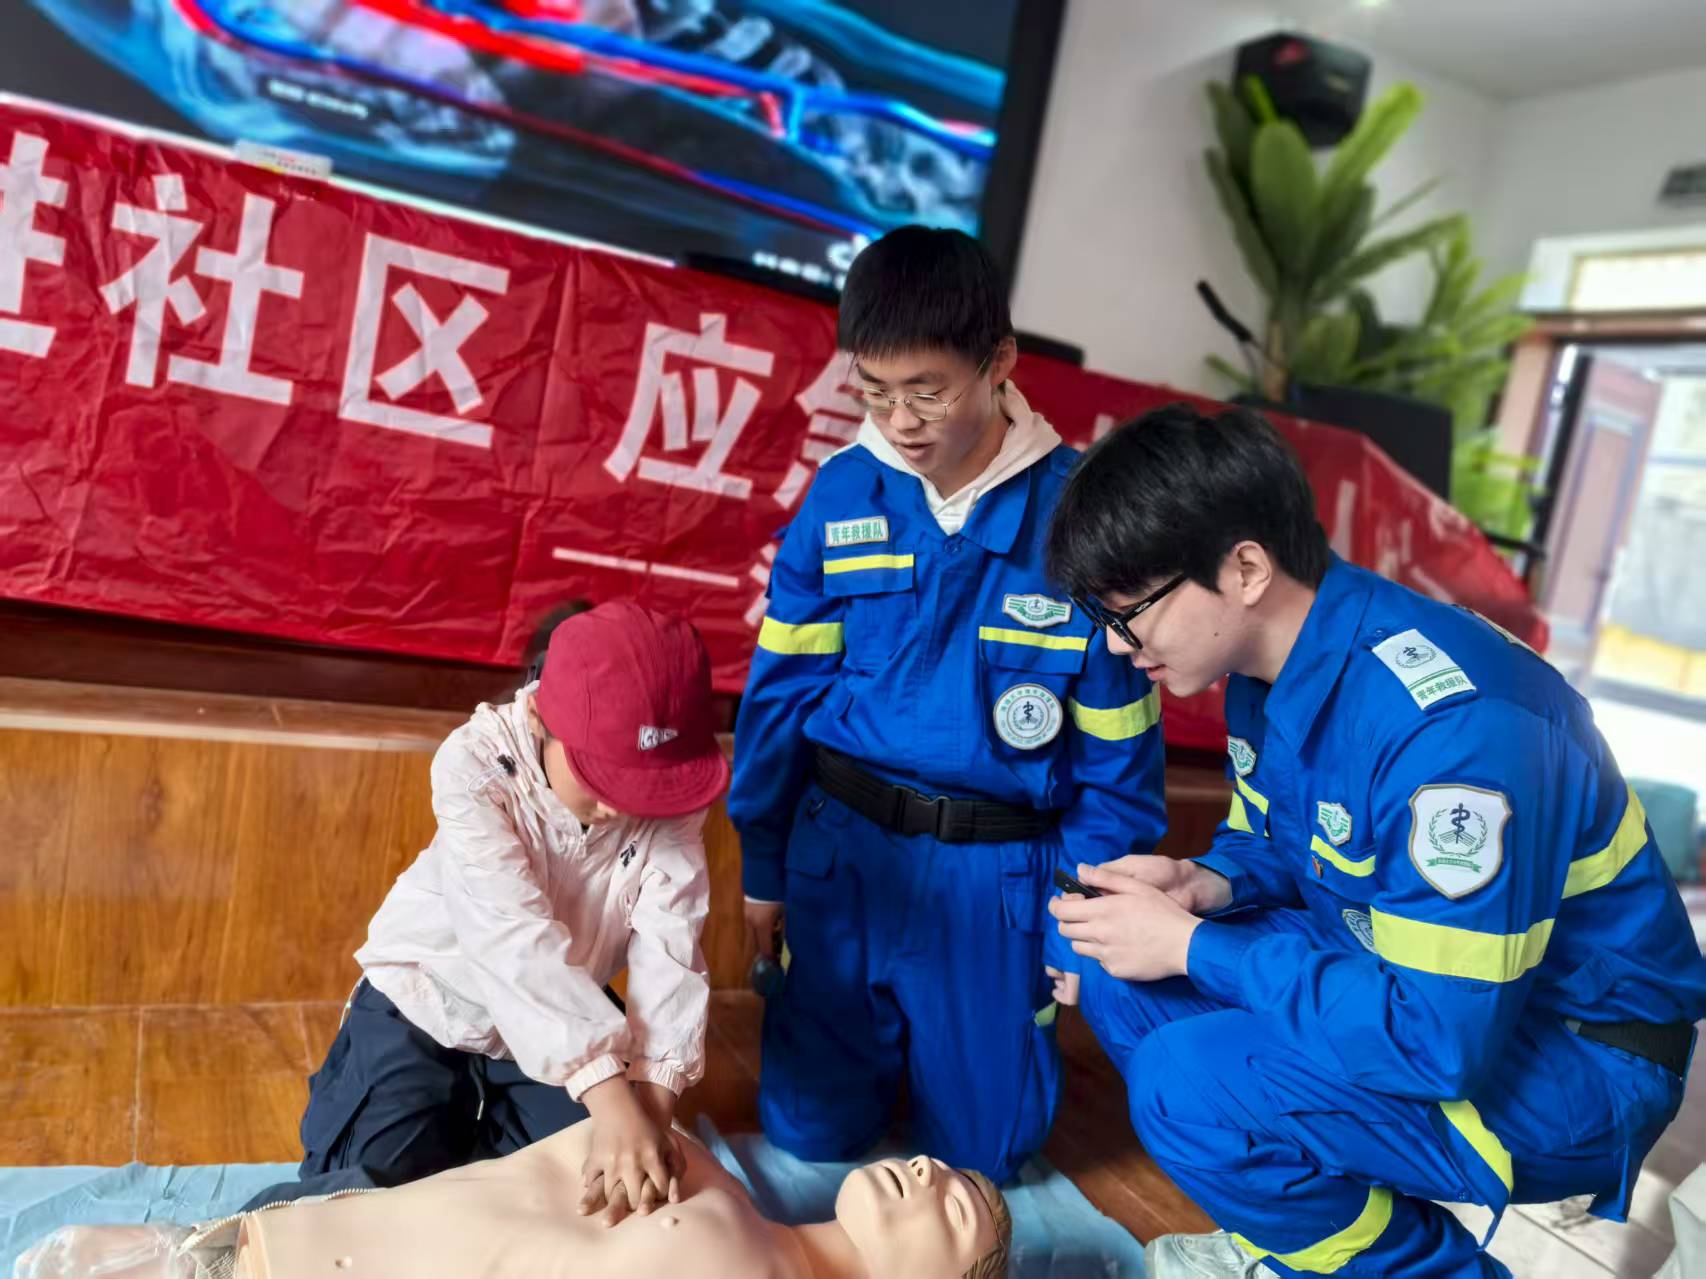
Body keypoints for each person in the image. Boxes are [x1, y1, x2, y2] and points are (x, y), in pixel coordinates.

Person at [1042, 403, 1706, 1278]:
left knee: (1188, 1081)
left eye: (1131, 610)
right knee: (1121, 977)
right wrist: (1205, 883)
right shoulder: (1268, 668)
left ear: (1246, 568)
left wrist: (1196, 946)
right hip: (1427, 977)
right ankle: (1301, 1237)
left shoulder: (1454, 734)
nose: (1115, 642)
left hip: (1573, 1050)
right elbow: (1283, 843)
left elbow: (1436, 1039)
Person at [730, 225, 1167, 1184]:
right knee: (807, 1135)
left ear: (999, 361)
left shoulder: (1080, 520)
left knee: (986, 1158)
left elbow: (1118, 760)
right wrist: (764, 863)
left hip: (997, 877)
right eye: (874, 391)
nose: (902, 420)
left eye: (929, 391)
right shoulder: (842, 494)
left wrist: (1081, 918)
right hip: (845, 857)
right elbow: (779, 697)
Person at [289, 601, 730, 1221]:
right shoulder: (474, 765)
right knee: (362, 1203)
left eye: (644, 787)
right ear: (544, 720)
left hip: (570, 1008)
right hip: (431, 1000)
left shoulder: (674, 792)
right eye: (601, 776)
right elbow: (512, 938)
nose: (620, 807)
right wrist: (609, 1098)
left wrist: (650, 1109)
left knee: (600, 1197)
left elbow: (670, 942)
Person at [14, 1120, 1012, 1279]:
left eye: (953, 1207)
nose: (928, 1170)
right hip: (260, 1233)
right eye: (938, 1165)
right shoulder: (711, 1177)